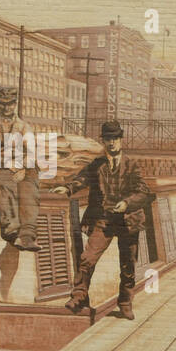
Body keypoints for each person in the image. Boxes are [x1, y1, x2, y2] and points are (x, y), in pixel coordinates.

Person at [51, 120, 153, 320]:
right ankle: (79, 296)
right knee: (87, 259)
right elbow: (82, 179)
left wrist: (126, 203)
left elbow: (143, 192)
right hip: (103, 220)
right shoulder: (97, 165)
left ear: (121, 140)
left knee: (128, 266)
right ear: (103, 141)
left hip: (128, 221)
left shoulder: (132, 165)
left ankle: (125, 303)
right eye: (108, 139)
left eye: (115, 138)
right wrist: (68, 188)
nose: (112, 143)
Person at [0, 86, 40, 252]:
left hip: (19, 165)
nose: (7, 108)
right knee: (6, 183)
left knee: (31, 180)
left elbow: (31, 153)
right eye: (3, 104)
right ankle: (12, 231)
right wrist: (7, 163)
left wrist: (21, 168)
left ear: (15, 104)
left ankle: (28, 234)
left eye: (10, 104)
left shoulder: (24, 127)